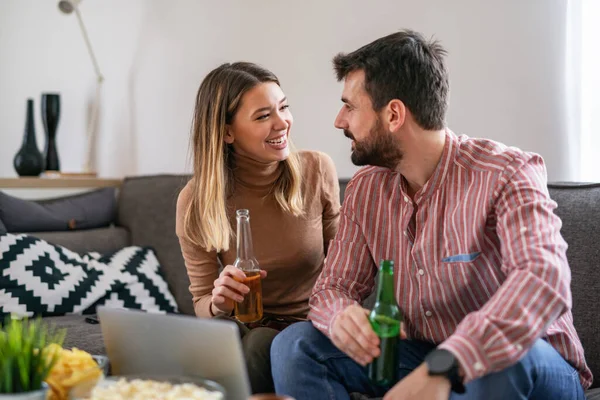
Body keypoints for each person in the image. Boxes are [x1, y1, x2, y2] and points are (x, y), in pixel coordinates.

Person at [270, 30, 592, 400]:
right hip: (423, 357)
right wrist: (341, 317)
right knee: (295, 345)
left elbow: (543, 279)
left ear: (393, 114)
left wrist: (449, 363)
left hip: (532, 368)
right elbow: (331, 289)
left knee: (505, 360)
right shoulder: (366, 189)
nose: (339, 120)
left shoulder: (507, 172)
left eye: (350, 106)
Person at [175, 62, 340, 394]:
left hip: (312, 328)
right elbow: (202, 303)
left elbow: (346, 267)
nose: (283, 123)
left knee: (262, 343)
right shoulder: (196, 200)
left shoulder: (316, 170)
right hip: (246, 328)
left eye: (283, 107)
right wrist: (219, 302)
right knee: (244, 339)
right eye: (263, 116)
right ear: (226, 132)